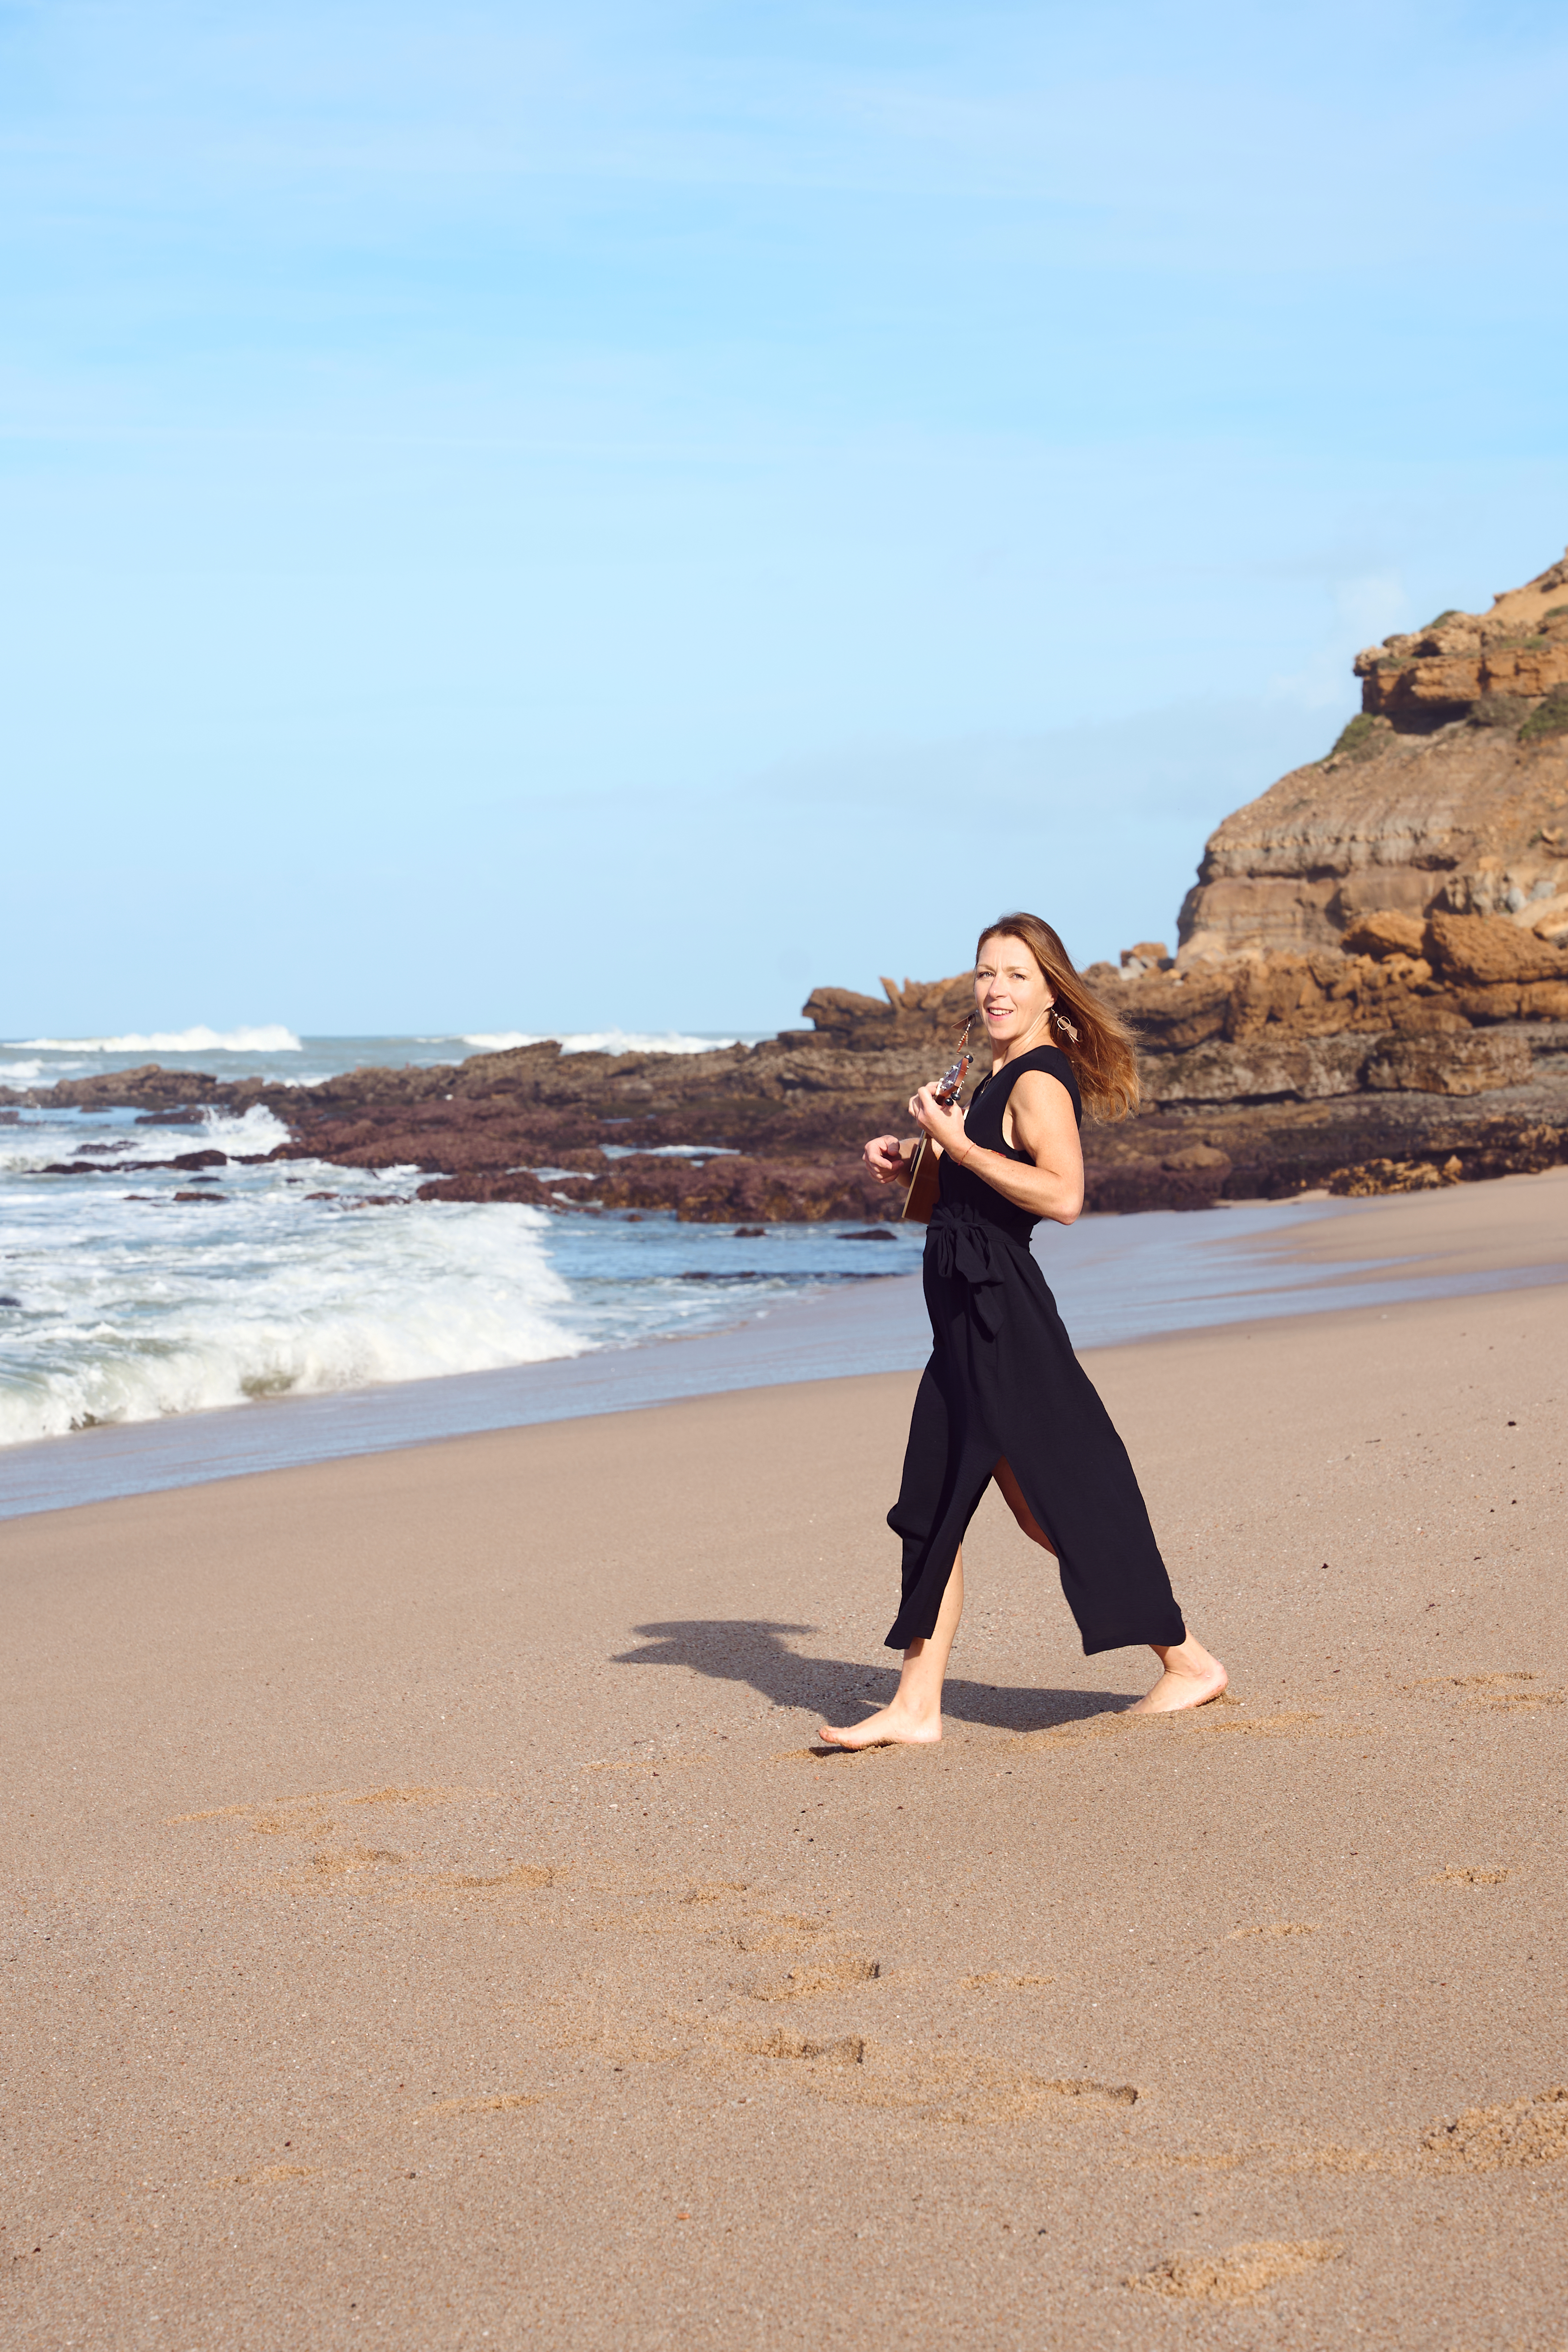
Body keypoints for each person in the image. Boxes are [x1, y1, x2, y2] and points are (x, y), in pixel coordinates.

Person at [820, 913, 1226, 1749]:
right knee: (937, 1506)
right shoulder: (990, 1076)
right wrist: (918, 1161)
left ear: (1050, 989)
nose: (996, 988)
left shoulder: (1040, 1078)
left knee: (1062, 1504)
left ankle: (1189, 1662)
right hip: (967, 1320)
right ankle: (918, 1705)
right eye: (984, 973)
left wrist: (958, 1144)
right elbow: (973, 1199)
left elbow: (1063, 1196)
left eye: (1015, 973)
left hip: (1005, 1321)